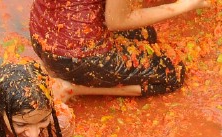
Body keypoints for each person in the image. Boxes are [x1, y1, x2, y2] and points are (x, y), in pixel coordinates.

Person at [28, 0, 209, 98]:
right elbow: (117, 22)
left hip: (41, 34)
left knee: (147, 34)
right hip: (78, 57)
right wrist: (182, 6)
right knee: (173, 74)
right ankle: (73, 88)